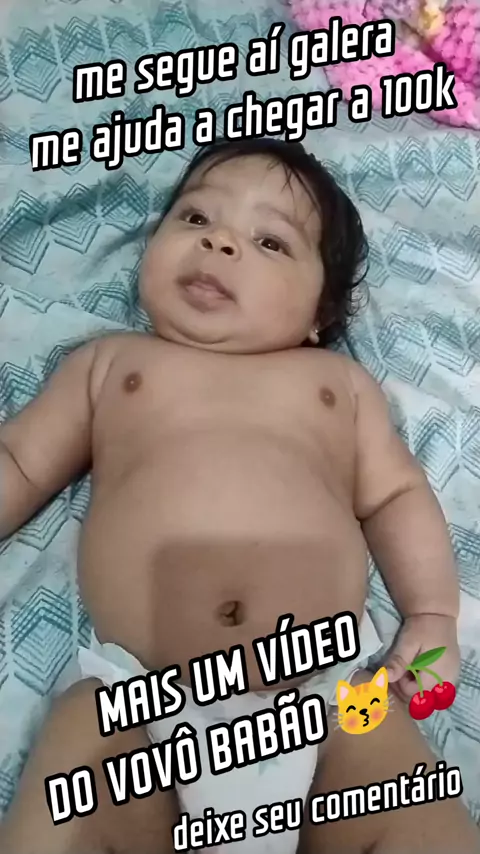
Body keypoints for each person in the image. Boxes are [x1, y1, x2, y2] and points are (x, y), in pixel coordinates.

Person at [0, 138, 478, 854]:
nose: (220, 243)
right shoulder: (111, 365)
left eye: (269, 242)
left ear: (320, 313)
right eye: (195, 218)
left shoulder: (336, 387)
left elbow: (396, 495)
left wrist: (433, 613)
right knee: (76, 760)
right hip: (137, 702)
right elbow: (20, 461)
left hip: (326, 698)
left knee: (411, 798)